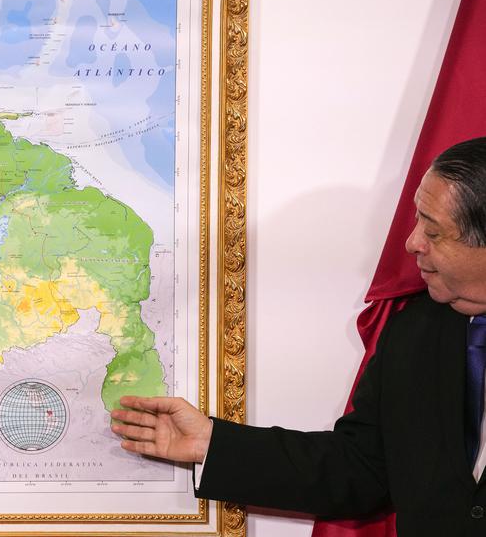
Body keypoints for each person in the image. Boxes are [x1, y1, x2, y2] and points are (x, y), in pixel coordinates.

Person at [110, 137, 486, 537]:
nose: (412, 243)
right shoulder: (415, 331)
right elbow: (359, 468)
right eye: (416, 221)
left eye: (434, 231)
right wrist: (211, 442)